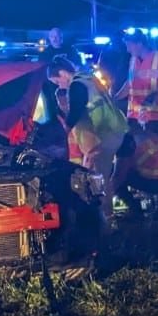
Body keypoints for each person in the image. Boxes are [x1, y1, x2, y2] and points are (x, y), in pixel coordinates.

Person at [47, 58, 127, 223]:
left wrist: (65, 129)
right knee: (100, 175)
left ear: (62, 73)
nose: (58, 85)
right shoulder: (88, 78)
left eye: (56, 81)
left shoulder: (77, 85)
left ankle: (105, 219)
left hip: (105, 132)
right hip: (114, 129)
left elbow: (76, 111)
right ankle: (104, 217)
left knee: (98, 178)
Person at [114, 32, 158, 153]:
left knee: (157, 151)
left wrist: (155, 97)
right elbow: (129, 84)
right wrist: (114, 99)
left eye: (129, 45)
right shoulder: (133, 61)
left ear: (139, 44)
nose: (127, 50)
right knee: (137, 152)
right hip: (135, 117)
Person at [111, 120, 158, 216]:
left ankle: (134, 208)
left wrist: (106, 196)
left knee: (113, 171)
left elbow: (119, 176)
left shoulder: (127, 141)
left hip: (154, 183)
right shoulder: (151, 135)